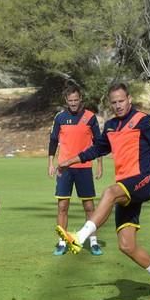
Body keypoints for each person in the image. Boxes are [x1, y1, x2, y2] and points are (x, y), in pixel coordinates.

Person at [56, 82, 150, 300]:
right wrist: (70, 160)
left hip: (143, 180)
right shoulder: (110, 126)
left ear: (129, 99)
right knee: (126, 245)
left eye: (121, 101)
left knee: (109, 192)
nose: (118, 105)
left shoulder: (145, 121)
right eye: (114, 102)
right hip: (126, 187)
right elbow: (97, 149)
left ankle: (79, 237)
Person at [48, 84, 103, 256]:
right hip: (64, 168)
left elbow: (99, 144)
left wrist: (100, 165)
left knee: (89, 207)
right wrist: (51, 163)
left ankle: (93, 242)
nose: (73, 103)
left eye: (76, 100)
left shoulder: (90, 117)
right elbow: (53, 141)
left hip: (84, 168)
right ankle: (62, 242)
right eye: (70, 100)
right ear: (66, 100)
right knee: (62, 206)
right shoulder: (60, 118)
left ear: (81, 99)